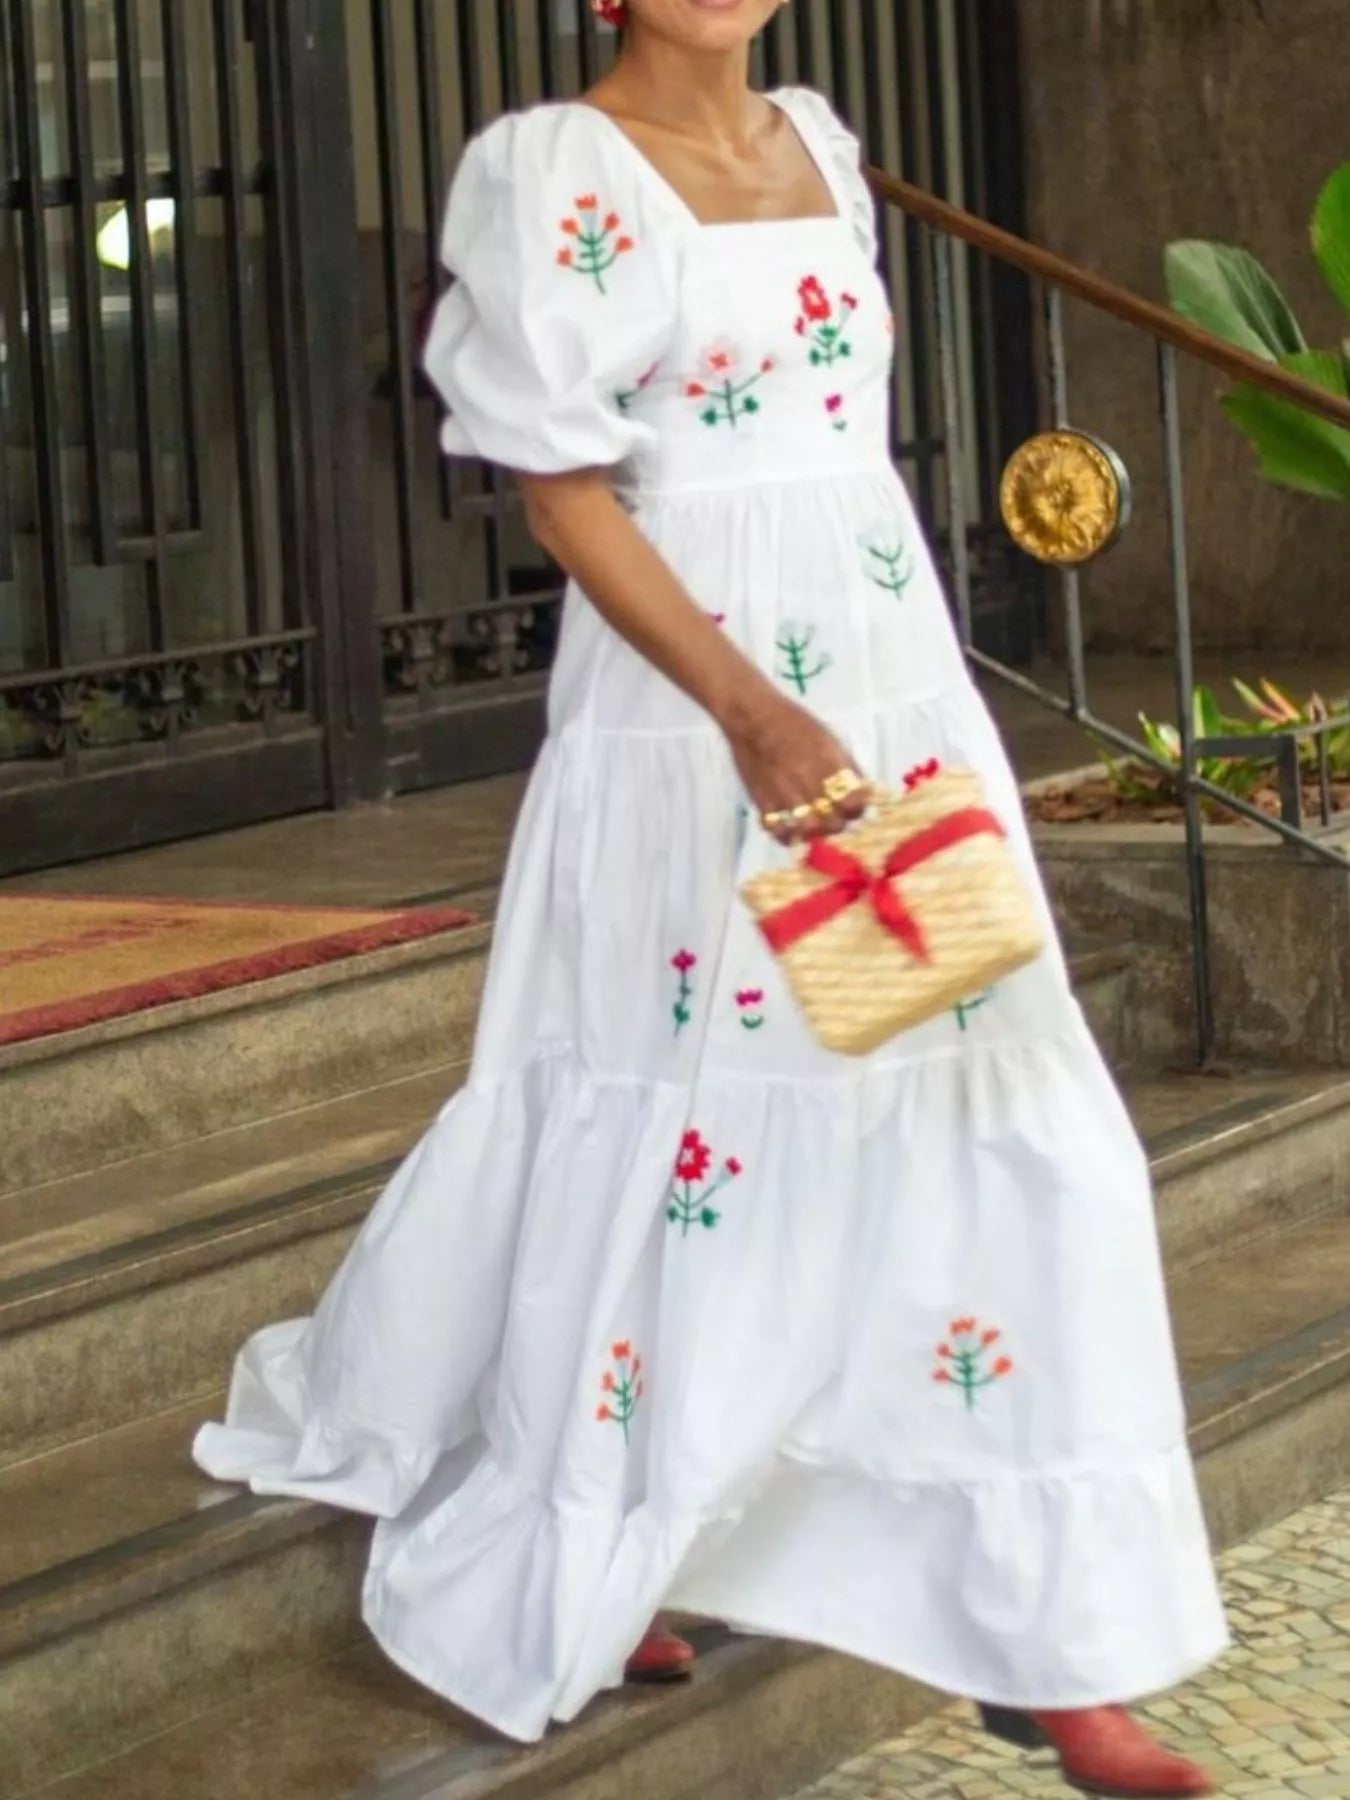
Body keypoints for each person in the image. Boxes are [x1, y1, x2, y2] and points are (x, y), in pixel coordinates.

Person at [193, 2, 1228, 1791]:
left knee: (993, 1101)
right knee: (692, 1118)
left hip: (887, 691)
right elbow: (562, 495)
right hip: (689, 718)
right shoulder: (546, 169)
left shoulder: (821, 142)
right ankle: (612, 1535)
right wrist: (745, 708)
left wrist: (841, 702)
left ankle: (1053, 1636)